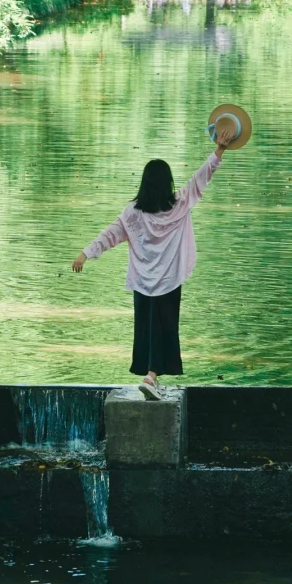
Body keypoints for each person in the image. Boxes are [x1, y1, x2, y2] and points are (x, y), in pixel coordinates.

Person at [72, 134, 234, 398]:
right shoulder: (180, 205)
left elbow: (110, 235)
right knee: (165, 327)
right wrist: (219, 150)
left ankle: (151, 376)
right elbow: (201, 178)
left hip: (144, 282)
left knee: (148, 330)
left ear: (144, 184)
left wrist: (85, 253)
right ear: (167, 182)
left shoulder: (133, 212)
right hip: (169, 280)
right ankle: (151, 378)